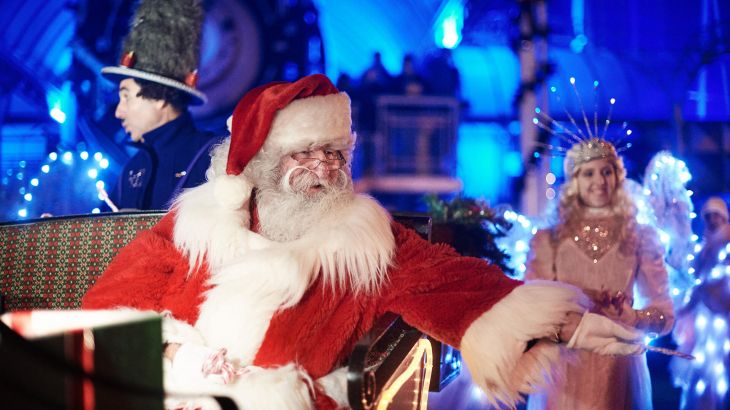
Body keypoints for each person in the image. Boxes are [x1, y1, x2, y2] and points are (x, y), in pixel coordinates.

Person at [82, 74, 644, 410]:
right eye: (305, 153)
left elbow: (456, 284)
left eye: (334, 153)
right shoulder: (196, 224)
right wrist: (175, 354)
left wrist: (572, 324)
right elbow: (112, 302)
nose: (324, 168)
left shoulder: (366, 243)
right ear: (260, 164)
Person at [525, 138, 675, 410]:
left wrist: (636, 318)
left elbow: (665, 313)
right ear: (574, 179)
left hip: (619, 367)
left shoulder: (641, 237)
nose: (599, 181)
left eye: (606, 171)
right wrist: (573, 307)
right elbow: (532, 308)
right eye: (589, 173)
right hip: (565, 368)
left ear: (618, 175)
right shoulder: (549, 241)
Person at [101, 0, 216, 210]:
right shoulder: (130, 170)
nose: (118, 112)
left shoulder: (216, 156)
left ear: (159, 97)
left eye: (126, 97)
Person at [670, 196, 730, 409]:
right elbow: (697, 283)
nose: (713, 220)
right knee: (700, 370)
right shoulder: (705, 247)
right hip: (703, 317)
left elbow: (714, 280)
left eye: (717, 215)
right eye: (709, 216)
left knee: (715, 370)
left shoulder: (726, 246)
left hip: (721, 319)